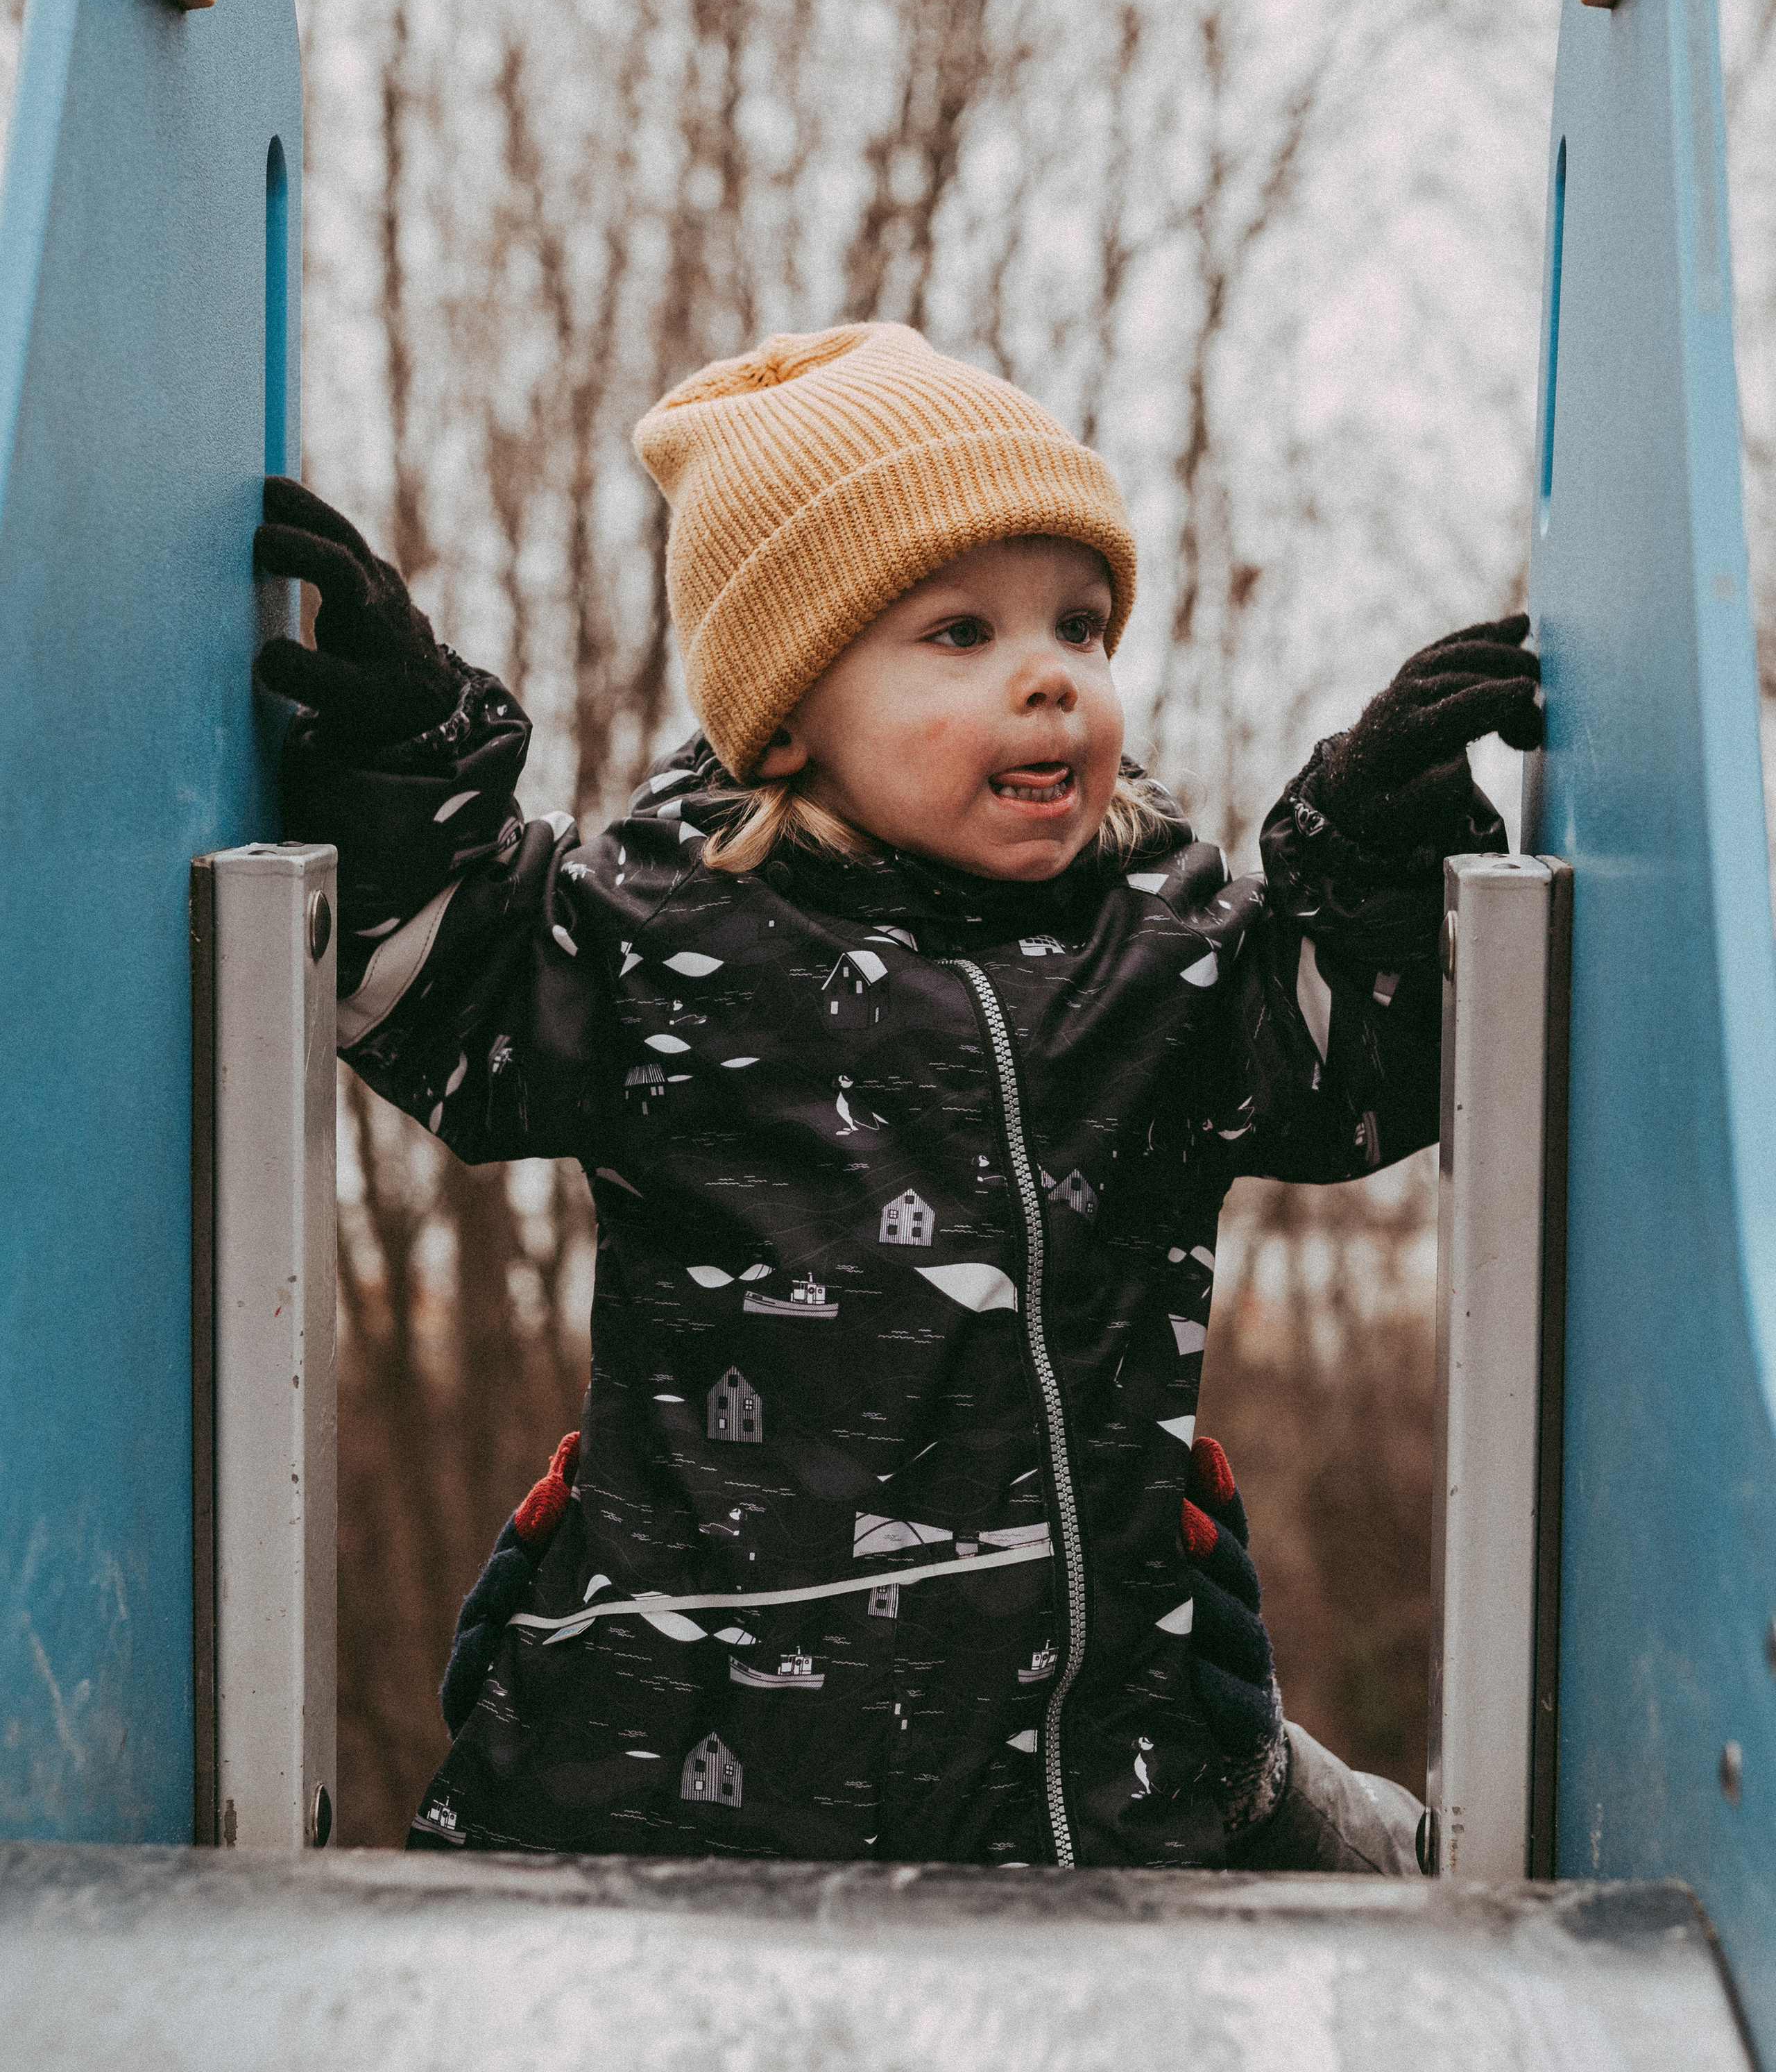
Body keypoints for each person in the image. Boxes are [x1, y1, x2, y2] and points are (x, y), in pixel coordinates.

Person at [256, 321, 1539, 1872]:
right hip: (685, 1774)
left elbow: (1353, 1068)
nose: (1050, 679)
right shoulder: (656, 942)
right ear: (790, 709)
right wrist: (405, 760)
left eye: (1079, 624)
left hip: (1074, 1794)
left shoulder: (1167, 953)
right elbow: (421, 973)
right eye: (960, 635)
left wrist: (1378, 856)